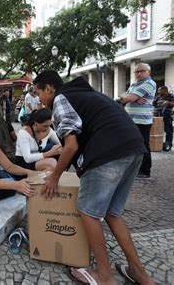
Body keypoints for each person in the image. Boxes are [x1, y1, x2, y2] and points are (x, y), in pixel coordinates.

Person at [34, 70, 153, 285]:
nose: (39, 99)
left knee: (88, 212)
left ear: (49, 88)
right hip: (134, 148)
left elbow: (71, 146)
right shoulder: (86, 94)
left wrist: (54, 178)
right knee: (111, 213)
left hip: (108, 153)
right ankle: (139, 273)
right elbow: (73, 143)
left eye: (38, 92)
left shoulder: (61, 98)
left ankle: (104, 276)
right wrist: (61, 169)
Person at [120, 63, 157, 180]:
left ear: (148, 72)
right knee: (131, 145)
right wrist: (130, 97)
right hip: (131, 119)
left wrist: (130, 97)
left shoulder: (149, 83)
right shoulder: (134, 84)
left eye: (142, 71)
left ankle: (145, 171)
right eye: (137, 71)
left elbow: (128, 98)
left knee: (143, 145)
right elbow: (123, 97)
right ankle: (134, 169)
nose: (139, 73)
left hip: (142, 121)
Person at [15, 108, 62, 174]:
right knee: (51, 163)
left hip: (38, 159)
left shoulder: (49, 130)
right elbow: (27, 158)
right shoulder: (24, 132)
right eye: (45, 126)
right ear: (36, 123)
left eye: (49, 125)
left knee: (59, 159)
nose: (48, 128)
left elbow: (61, 144)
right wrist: (50, 153)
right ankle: (38, 181)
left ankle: (43, 180)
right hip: (23, 162)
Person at [153, 86, 174, 152]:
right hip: (157, 117)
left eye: (159, 90)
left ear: (165, 90)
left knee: (168, 131)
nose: (158, 92)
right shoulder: (158, 97)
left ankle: (168, 145)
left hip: (167, 116)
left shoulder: (171, 96)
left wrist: (168, 102)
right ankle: (158, 144)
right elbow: (154, 104)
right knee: (157, 131)